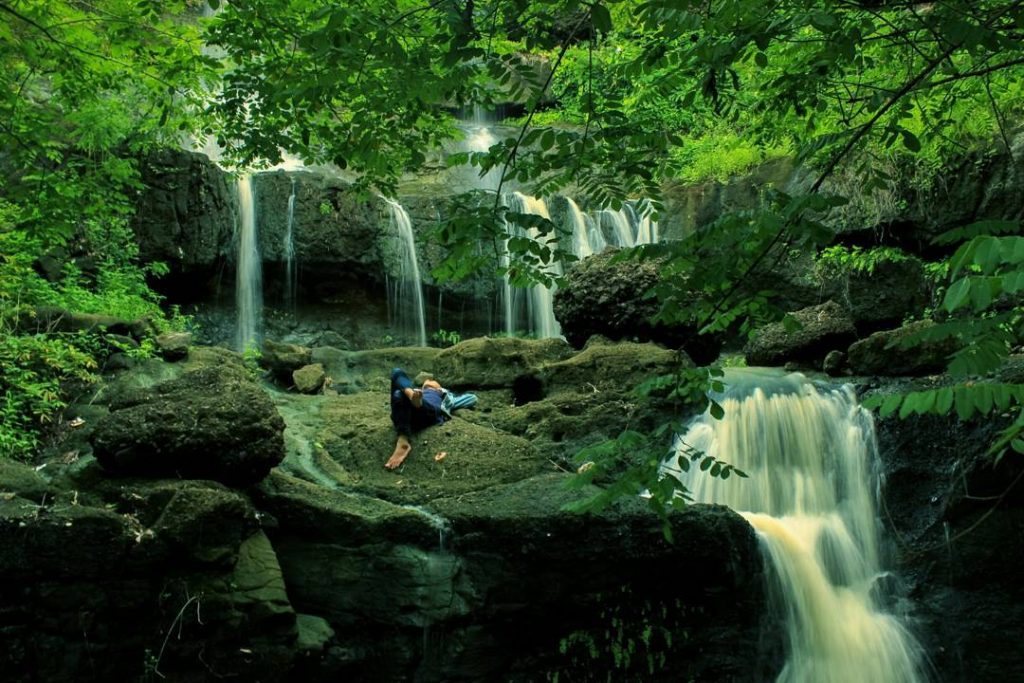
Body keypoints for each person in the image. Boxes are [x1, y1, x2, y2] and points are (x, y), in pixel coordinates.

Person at [384, 368, 476, 470]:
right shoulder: (417, 391)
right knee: (397, 373)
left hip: (426, 412)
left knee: (403, 395)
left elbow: (472, 398)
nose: (428, 382)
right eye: (425, 384)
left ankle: (403, 438)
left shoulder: (446, 396)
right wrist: (412, 394)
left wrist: (447, 398)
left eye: (432, 382)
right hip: (406, 412)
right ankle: (412, 397)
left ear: (439, 388)